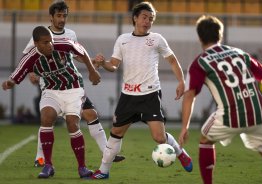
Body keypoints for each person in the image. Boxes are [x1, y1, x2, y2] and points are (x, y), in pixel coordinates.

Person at [90, 2, 193, 179]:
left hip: (150, 95)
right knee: (115, 134)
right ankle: (103, 171)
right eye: (144, 17)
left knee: (159, 138)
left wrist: (181, 81)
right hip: (128, 97)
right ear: (135, 18)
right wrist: (102, 63)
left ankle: (180, 153)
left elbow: (173, 61)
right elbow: (113, 66)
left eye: (151, 19)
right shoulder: (122, 39)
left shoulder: (157, 39)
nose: (147, 22)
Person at [179, 15, 262, 184]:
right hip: (259, 110)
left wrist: (185, 127)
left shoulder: (200, 62)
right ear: (220, 35)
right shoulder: (240, 53)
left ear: (199, 37)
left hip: (230, 114)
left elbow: (189, 95)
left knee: (205, 139)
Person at [23, 0, 125, 167]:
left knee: (91, 114)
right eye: (59, 15)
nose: (62, 19)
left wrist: (92, 62)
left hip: (71, 86)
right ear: (51, 17)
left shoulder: (70, 34)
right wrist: (32, 73)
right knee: (47, 120)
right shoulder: (41, 35)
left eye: (64, 15)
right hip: (51, 86)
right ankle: (40, 157)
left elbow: (76, 55)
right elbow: (28, 58)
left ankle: (109, 153)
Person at [2, 26, 101, 178]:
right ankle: (48, 165)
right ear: (36, 44)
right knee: (46, 117)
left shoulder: (64, 44)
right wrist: (9, 83)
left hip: (73, 88)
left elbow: (82, 51)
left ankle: (82, 167)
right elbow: (16, 75)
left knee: (72, 123)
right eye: (45, 42)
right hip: (51, 90)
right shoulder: (30, 58)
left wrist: (92, 71)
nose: (50, 45)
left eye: (51, 41)